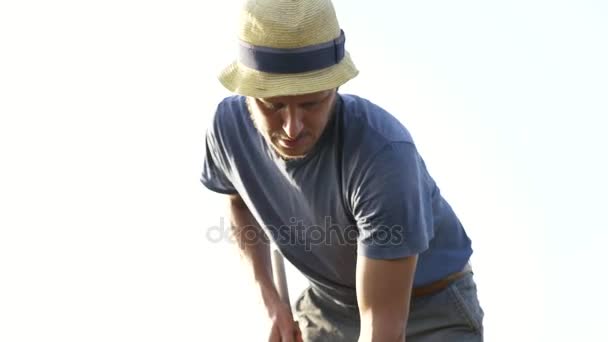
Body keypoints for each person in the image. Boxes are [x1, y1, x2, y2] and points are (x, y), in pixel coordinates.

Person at [200, 0, 484, 341]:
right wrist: (272, 302)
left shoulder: (383, 158)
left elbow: (382, 324)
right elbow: (239, 202)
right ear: (246, 90)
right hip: (329, 307)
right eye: (273, 105)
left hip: (428, 312)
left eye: (311, 103)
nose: (292, 128)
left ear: (335, 87)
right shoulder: (227, 130)